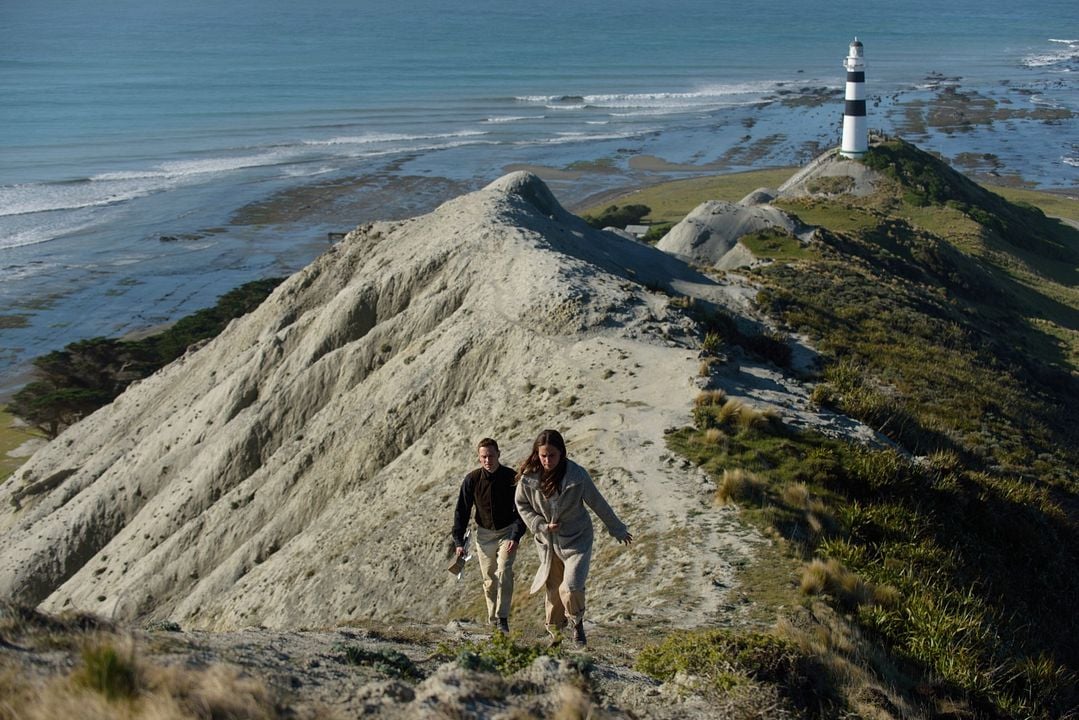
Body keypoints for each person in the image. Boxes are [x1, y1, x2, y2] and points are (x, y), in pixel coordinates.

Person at [514, 429, 632, 647]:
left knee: (571, 586)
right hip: (548, 543)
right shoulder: (528, 478)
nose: (548, 460)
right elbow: (522, 505)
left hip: (577, 539)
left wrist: (618, 529)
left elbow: (597, 503)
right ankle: (556, 635)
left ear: (562, 453)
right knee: (553, 589)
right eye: (543, 455)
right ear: (537, 454)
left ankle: (577, 625)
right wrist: (540, 525)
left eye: (552, 455)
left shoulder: (576, 476)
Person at [451, 437, 527, 633]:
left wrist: (515, 536)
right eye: (483, 457)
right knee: (489, 580)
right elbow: (462, 511)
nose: (487, 460)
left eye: (491, 456)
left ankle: (502, 618)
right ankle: (492, 620)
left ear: (498, 455)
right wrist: (459, 541)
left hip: (507, 532)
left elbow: (522, 509)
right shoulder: (472, 480)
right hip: (484, 535)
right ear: (479, 458)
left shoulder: (512, 478)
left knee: (504, 571)